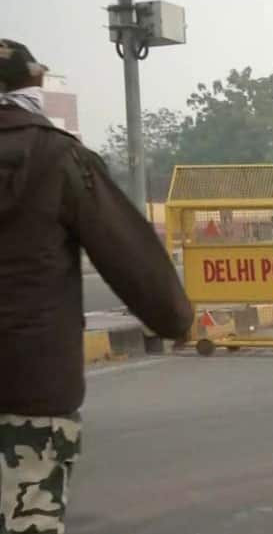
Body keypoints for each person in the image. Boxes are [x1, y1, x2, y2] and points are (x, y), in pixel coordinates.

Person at [0, 39, 193, 532]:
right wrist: (173, 318)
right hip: (29, 389)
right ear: (32, 85)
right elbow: (128, 253)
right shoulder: (58, 158)